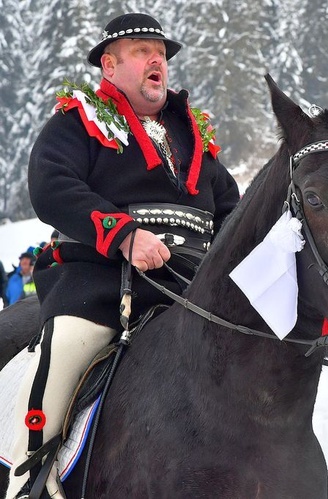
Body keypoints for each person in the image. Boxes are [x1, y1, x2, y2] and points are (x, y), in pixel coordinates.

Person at [5, 13, 240, 499]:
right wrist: (124, 235)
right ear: (109, 66)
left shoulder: (192, 136)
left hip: (191, 291)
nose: (157, 59)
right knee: (66, 347)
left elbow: (231, 213)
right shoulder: (79, 120)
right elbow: (52, 187)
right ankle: (26, 479)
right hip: (100, 285)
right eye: (140, 50)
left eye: (161, 52)